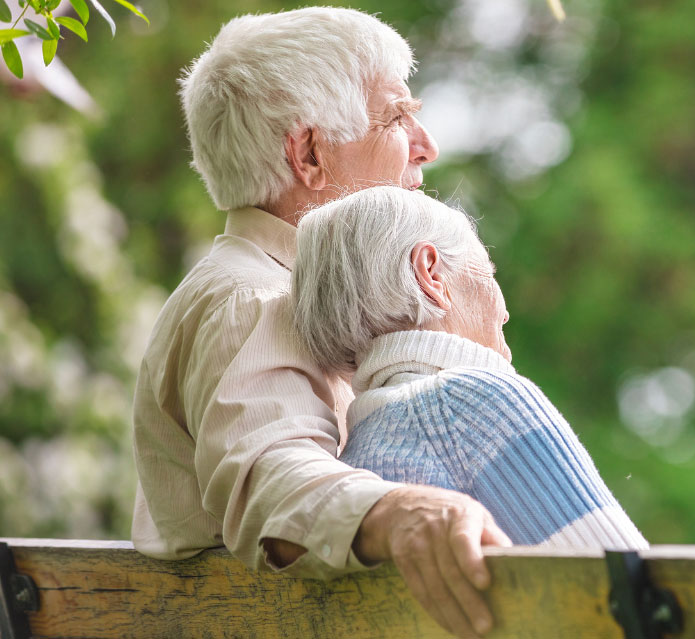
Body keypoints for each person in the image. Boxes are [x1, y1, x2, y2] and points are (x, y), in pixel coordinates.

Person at [131, 8, 504, 637]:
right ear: (308, 154)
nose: (427, 145)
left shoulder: (285, 292)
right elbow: (272, 479)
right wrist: (402, 510)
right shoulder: (253, 300)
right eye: (397, 117)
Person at [291, 186, 648, 549]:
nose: (505, 310)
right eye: (488, 271)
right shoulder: (477, 403)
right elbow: (632, 584)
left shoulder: (354, 456)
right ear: (430, 274)